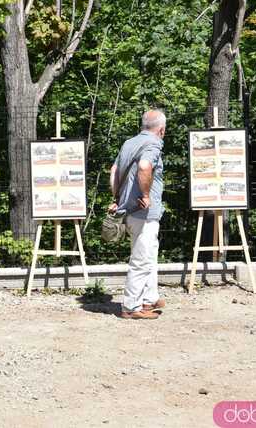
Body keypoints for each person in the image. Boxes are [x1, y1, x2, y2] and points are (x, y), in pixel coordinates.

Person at [108, 110, 166, 320]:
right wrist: (145, 195)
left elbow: (114, 171)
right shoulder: (154, 143)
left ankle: (150, 298)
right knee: (141, 259)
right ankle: (131, 306)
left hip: (129, 210)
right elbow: (144, 166)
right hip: (144, 211)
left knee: (149, 253)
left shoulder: (129, 143)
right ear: (161, 130)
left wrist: (117, 198)